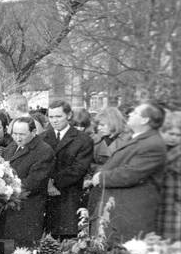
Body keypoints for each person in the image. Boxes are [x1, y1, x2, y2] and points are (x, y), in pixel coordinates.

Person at [89, 103, 167, 241]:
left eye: (135, 113)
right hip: (119, 210)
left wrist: (101, 177)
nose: (130, 114)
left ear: (145, 120)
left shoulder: (152, 143)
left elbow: (131, 173)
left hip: (131, 214)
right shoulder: (140, 139)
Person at [0, 117, 55, 250]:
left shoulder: (44, 151)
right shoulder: (12, 146)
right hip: (10, 210)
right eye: (15, 134)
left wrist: (2, 189)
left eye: (22, 134)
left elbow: (33, 183)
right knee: (7, 253)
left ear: (34, 132)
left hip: (27, 211)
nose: (17, 137)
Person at [41, 101, 93, 240]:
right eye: (51, 117)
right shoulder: (42, 138)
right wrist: (47, 184)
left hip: (69, 198)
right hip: (45, 199)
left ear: (69, 115)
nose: (54, 120)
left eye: (58, 116)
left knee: (67, 244)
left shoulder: (83, 139)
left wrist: (54, 182)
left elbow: (78, 168)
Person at [157, 111, 181, 241]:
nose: (174, 138)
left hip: (175, 204)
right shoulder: (159, 150)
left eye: (179, 135)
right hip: (159, 201)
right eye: (171, 134)